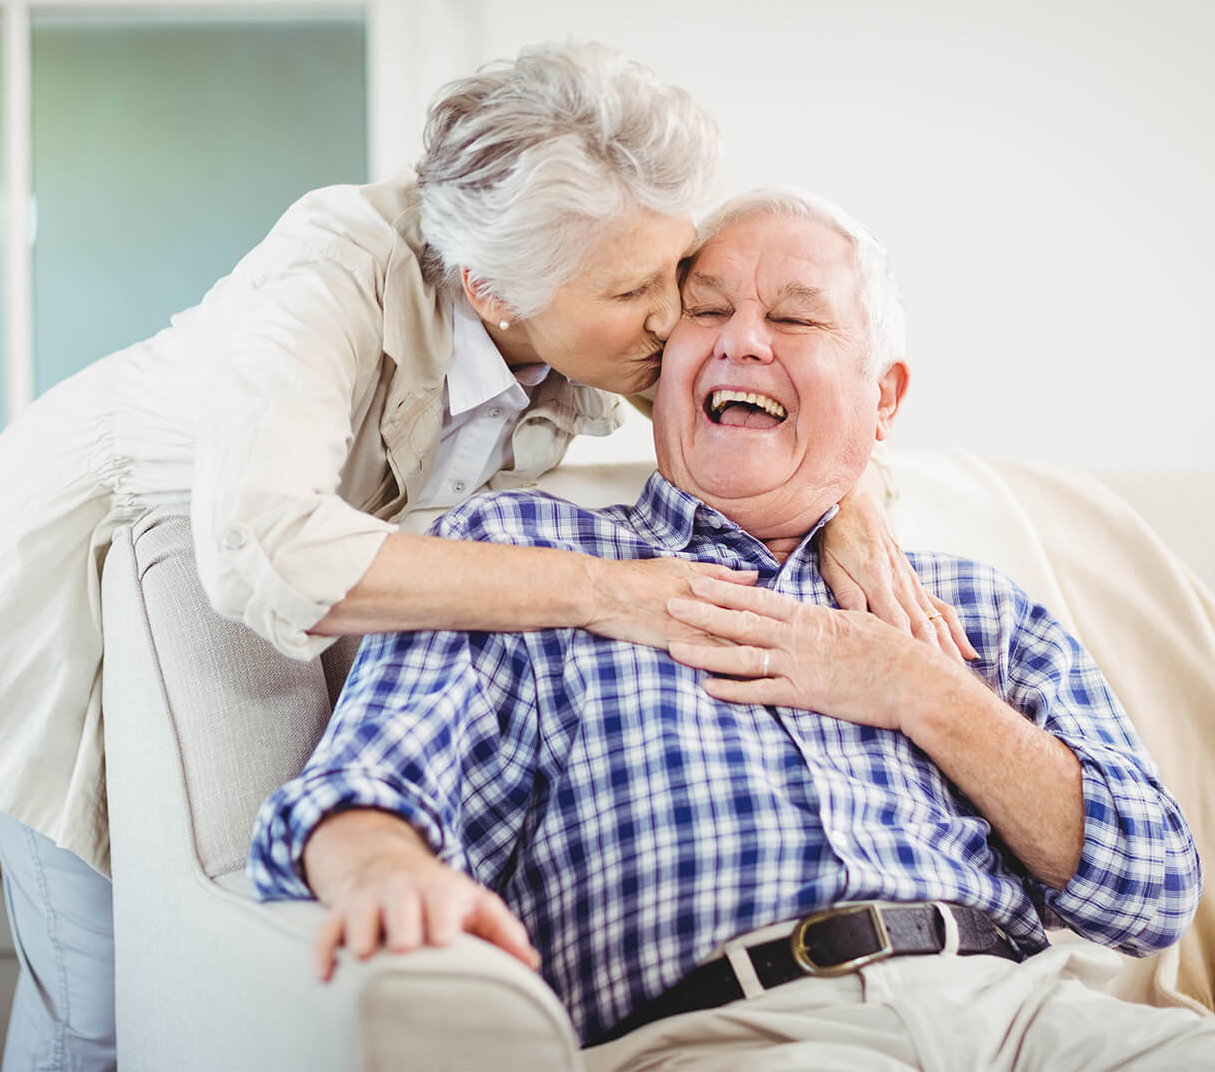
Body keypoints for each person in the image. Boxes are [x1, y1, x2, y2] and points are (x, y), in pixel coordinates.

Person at [0, 43, 967, 1071]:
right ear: (496, 292)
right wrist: (608, 593)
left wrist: (859, 501)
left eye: (676, 273)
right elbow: (262, 547)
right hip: (88, 563)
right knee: (92, 994)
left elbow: (779, 405)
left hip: (328, 577)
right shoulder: (332, 268)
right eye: (635, 293)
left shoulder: (600, 287)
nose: (670, 319)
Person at [249, 189, 1213, 1070]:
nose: (742, 341)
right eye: (706, 311)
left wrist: (921, 690)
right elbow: (362, 786)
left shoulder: (976, 608)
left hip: (1027, 1017)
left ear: (884, 400)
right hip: (745, 1028)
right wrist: (380, 869)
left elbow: (1154, 891)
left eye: (793, 317)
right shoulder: (516, 550)